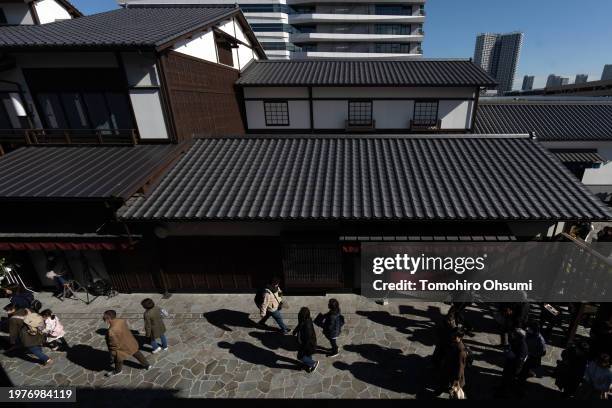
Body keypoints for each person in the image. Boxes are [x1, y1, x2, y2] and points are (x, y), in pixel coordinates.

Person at [103, 310, 150, 377]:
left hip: (121, 348)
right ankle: (147, 365)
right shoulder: (121, 321)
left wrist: (112, 353)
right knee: (136, 353)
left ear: (108, 319)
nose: (103, 318)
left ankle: (117, 371)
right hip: (129, 341)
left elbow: (113, 345)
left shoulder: (111, 331)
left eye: (104, 317)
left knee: (118, 359)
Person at [435, 328, 468, 398]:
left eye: (454, 336)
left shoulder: (461, 351)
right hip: (448, 368)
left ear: (460, 337)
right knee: (444, 381)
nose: (452, 338)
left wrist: (457, 379)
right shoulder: (453, 343)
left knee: (455, 391)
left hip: (454, 373)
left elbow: (460, 366)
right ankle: (442, 389)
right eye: (452, 336)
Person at [498, 327, 528, 397]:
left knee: (509, 379)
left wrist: (511, 354)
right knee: (505, 376)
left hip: (514, 366)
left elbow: (520, 359)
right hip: (510, 363)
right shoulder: (517, 340)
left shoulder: (523, 347)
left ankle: (505, 392)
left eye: (514, 334)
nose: (512, 335)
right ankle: (503, 387)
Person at [519, 321, 546, 386]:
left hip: (531, 357)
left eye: (530, 328)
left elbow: (543, 352)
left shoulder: (540, 340)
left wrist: (532, 353)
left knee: (525, 370)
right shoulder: (530, 334)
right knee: (524, 367)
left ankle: (521, 383)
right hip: (526, 354)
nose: (527, 329)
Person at [293, 307, 319, 373]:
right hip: (305, 342)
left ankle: (313, 363)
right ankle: (309, 364)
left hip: (307, 344)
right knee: (307, 354)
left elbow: (308, 340)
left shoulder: (307, 326)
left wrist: (303, 348)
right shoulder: (305, 319)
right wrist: (295, 331)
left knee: (300, 356)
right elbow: (299, 325)